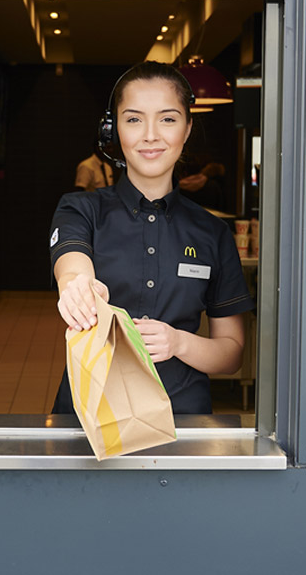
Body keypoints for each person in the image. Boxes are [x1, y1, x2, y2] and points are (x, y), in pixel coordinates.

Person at [48, 62, 254, 414]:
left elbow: (231, 352)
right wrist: (79, 287)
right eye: (133, 119)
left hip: (182, 420)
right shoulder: (80, 209)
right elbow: (71, 267)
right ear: (114, 130)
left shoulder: (213, 233)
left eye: (168, 119)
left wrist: (178, 343)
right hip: (90, 417)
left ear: (187, 129)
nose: (150, 135)